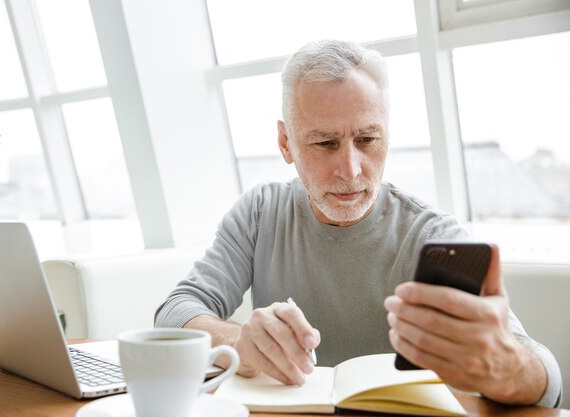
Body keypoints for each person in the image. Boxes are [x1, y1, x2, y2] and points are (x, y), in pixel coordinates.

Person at [155, 40, 561, 407]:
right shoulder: (260, 212)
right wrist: (238, 342)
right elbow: (175, 311)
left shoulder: (431, 236)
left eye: (367, 139)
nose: (350, 170)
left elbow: (547, 382)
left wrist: (504, 367)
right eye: (325, 143)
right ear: (286, 144)